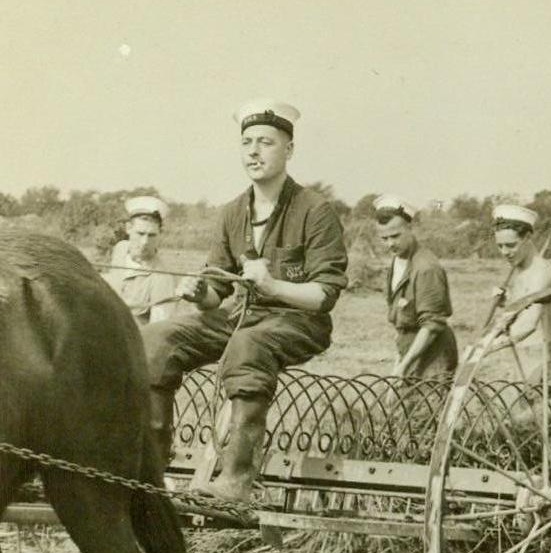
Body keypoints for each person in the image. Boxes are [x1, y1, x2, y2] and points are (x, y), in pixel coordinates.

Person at [143, 99, 348, 500]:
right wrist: (202, 292)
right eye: (247, 142)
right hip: (240, 316)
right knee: (156, 338)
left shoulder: (316, 211)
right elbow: (217, 288)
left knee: (247, 345)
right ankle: (151, 464)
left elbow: (324, 295)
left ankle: (236, 477)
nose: (254, 151)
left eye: (266, 142)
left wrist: (272, 286)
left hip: (297, 322)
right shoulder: (232, 212)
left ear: (288, 150)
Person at [374, 194, 457, 380]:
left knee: (427, 407)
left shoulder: (426, 268)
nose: (390, 244)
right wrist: (399, 364)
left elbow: (432, 325)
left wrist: (403, 367)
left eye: (395, 236)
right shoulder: (396, 262)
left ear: (411, 228)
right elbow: (402, 326)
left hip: (432, 358)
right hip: (409, 352)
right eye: (384, 238)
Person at [491, 203, 551, 387]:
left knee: (533, 416)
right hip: (522, 358)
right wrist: (506, 302)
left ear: (527, 237)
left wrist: (486, 347)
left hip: (545, 362)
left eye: (510, 245)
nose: (505, 252)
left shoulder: (542, 272)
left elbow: (528, 324)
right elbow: (520, 308)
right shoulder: (518, 269)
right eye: (500, 246)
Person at [102, 196, 178, 326]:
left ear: (160, 233)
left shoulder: (163, 277)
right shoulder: (120, 249)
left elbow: (157, 331)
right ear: (128, 228)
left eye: (152, 235)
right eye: (140, 234)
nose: (145, 242)